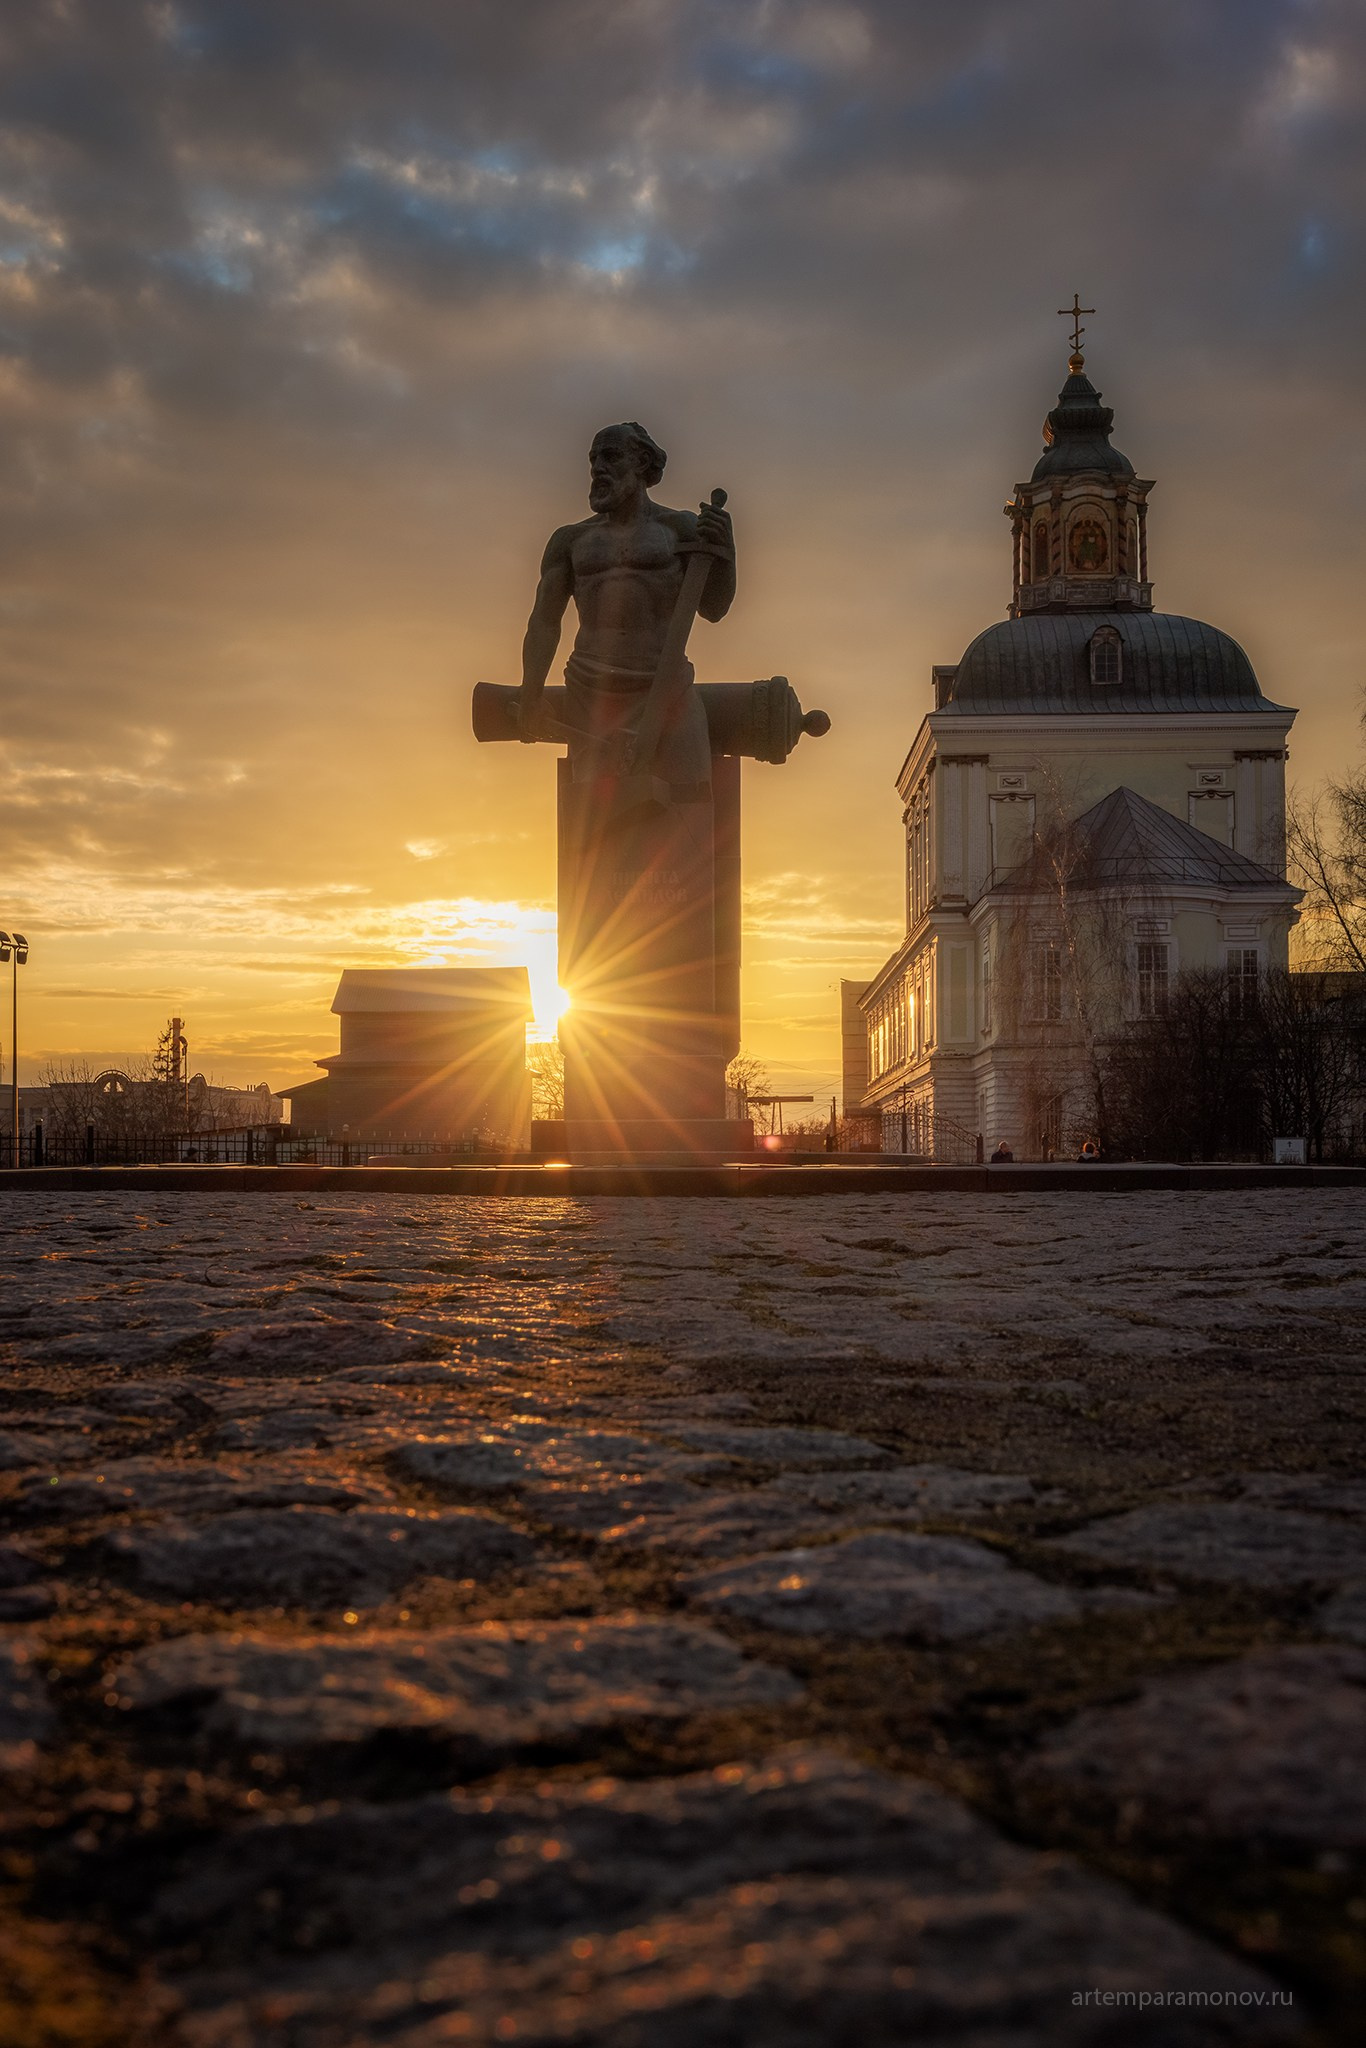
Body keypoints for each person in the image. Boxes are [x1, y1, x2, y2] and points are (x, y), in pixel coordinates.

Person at [515, 422, 736, 788]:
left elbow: (714, 608)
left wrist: (726, 551)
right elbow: (544, 620)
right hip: (591, 689)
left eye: (611, 456)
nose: (598, 467)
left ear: (641, 461)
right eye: (593, 459)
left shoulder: (678, 528)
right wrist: (531, 693)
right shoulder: (571, 540)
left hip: (665, 685)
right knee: (598, 817)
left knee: (691, 797)